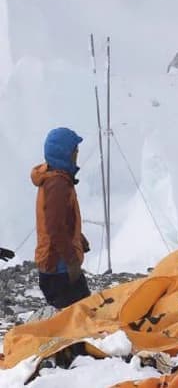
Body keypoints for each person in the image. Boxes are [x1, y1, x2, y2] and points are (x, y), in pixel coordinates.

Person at [31, 127, 90, 309]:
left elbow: (60, 220)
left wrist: (78, 238)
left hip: (55, 265)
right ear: (65, 153)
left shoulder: (54, 178)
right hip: (59, 267)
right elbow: (55, 227)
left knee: (80, 312)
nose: (77, 154)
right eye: (75, 151)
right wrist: (72, 262)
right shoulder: (58, 184)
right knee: (77, 315)